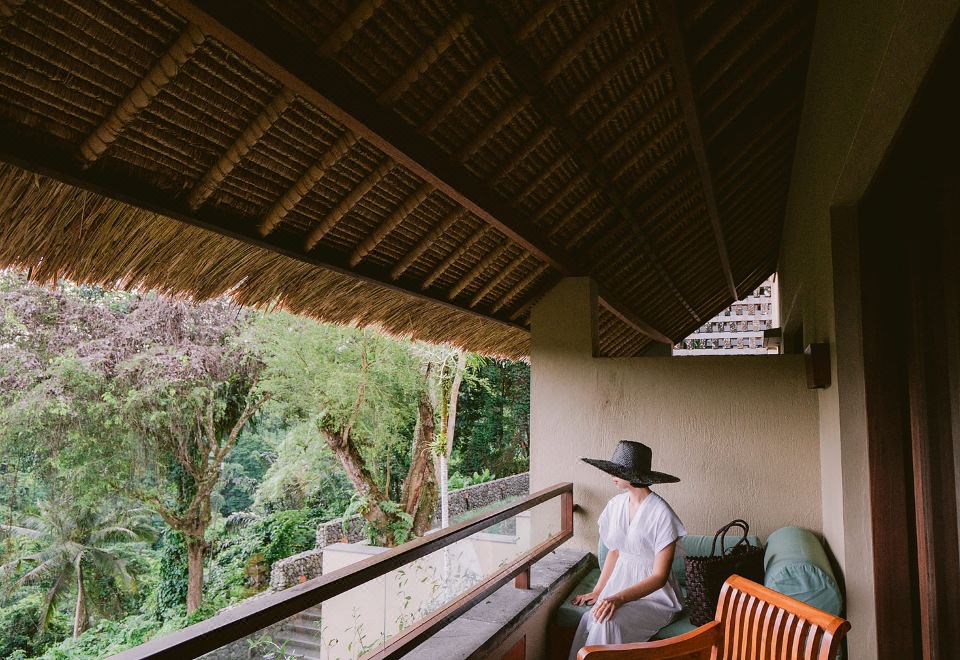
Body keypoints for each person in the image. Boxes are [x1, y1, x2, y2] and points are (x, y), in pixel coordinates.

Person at [568, 441, 685, 660]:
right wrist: (599, 591)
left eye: (617, 471)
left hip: (655, 598)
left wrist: (618, 599)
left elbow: (659, 577)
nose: (611, 475)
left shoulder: (662, 513)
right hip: (618, 586)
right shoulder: (615, 505)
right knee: (595, 618)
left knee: (607, 622)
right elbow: (615, 552)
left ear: (632, 475)